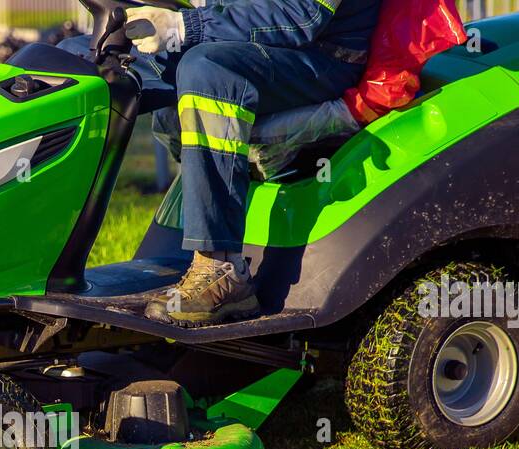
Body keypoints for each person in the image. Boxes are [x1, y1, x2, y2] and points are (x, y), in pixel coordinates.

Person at [107, 1, 382, 324]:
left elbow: (301, 15)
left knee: (208, 71)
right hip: (240, 40)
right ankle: (50, 262)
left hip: (320, 55)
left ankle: (220, 268)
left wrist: (185, 27)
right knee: (91, 60)